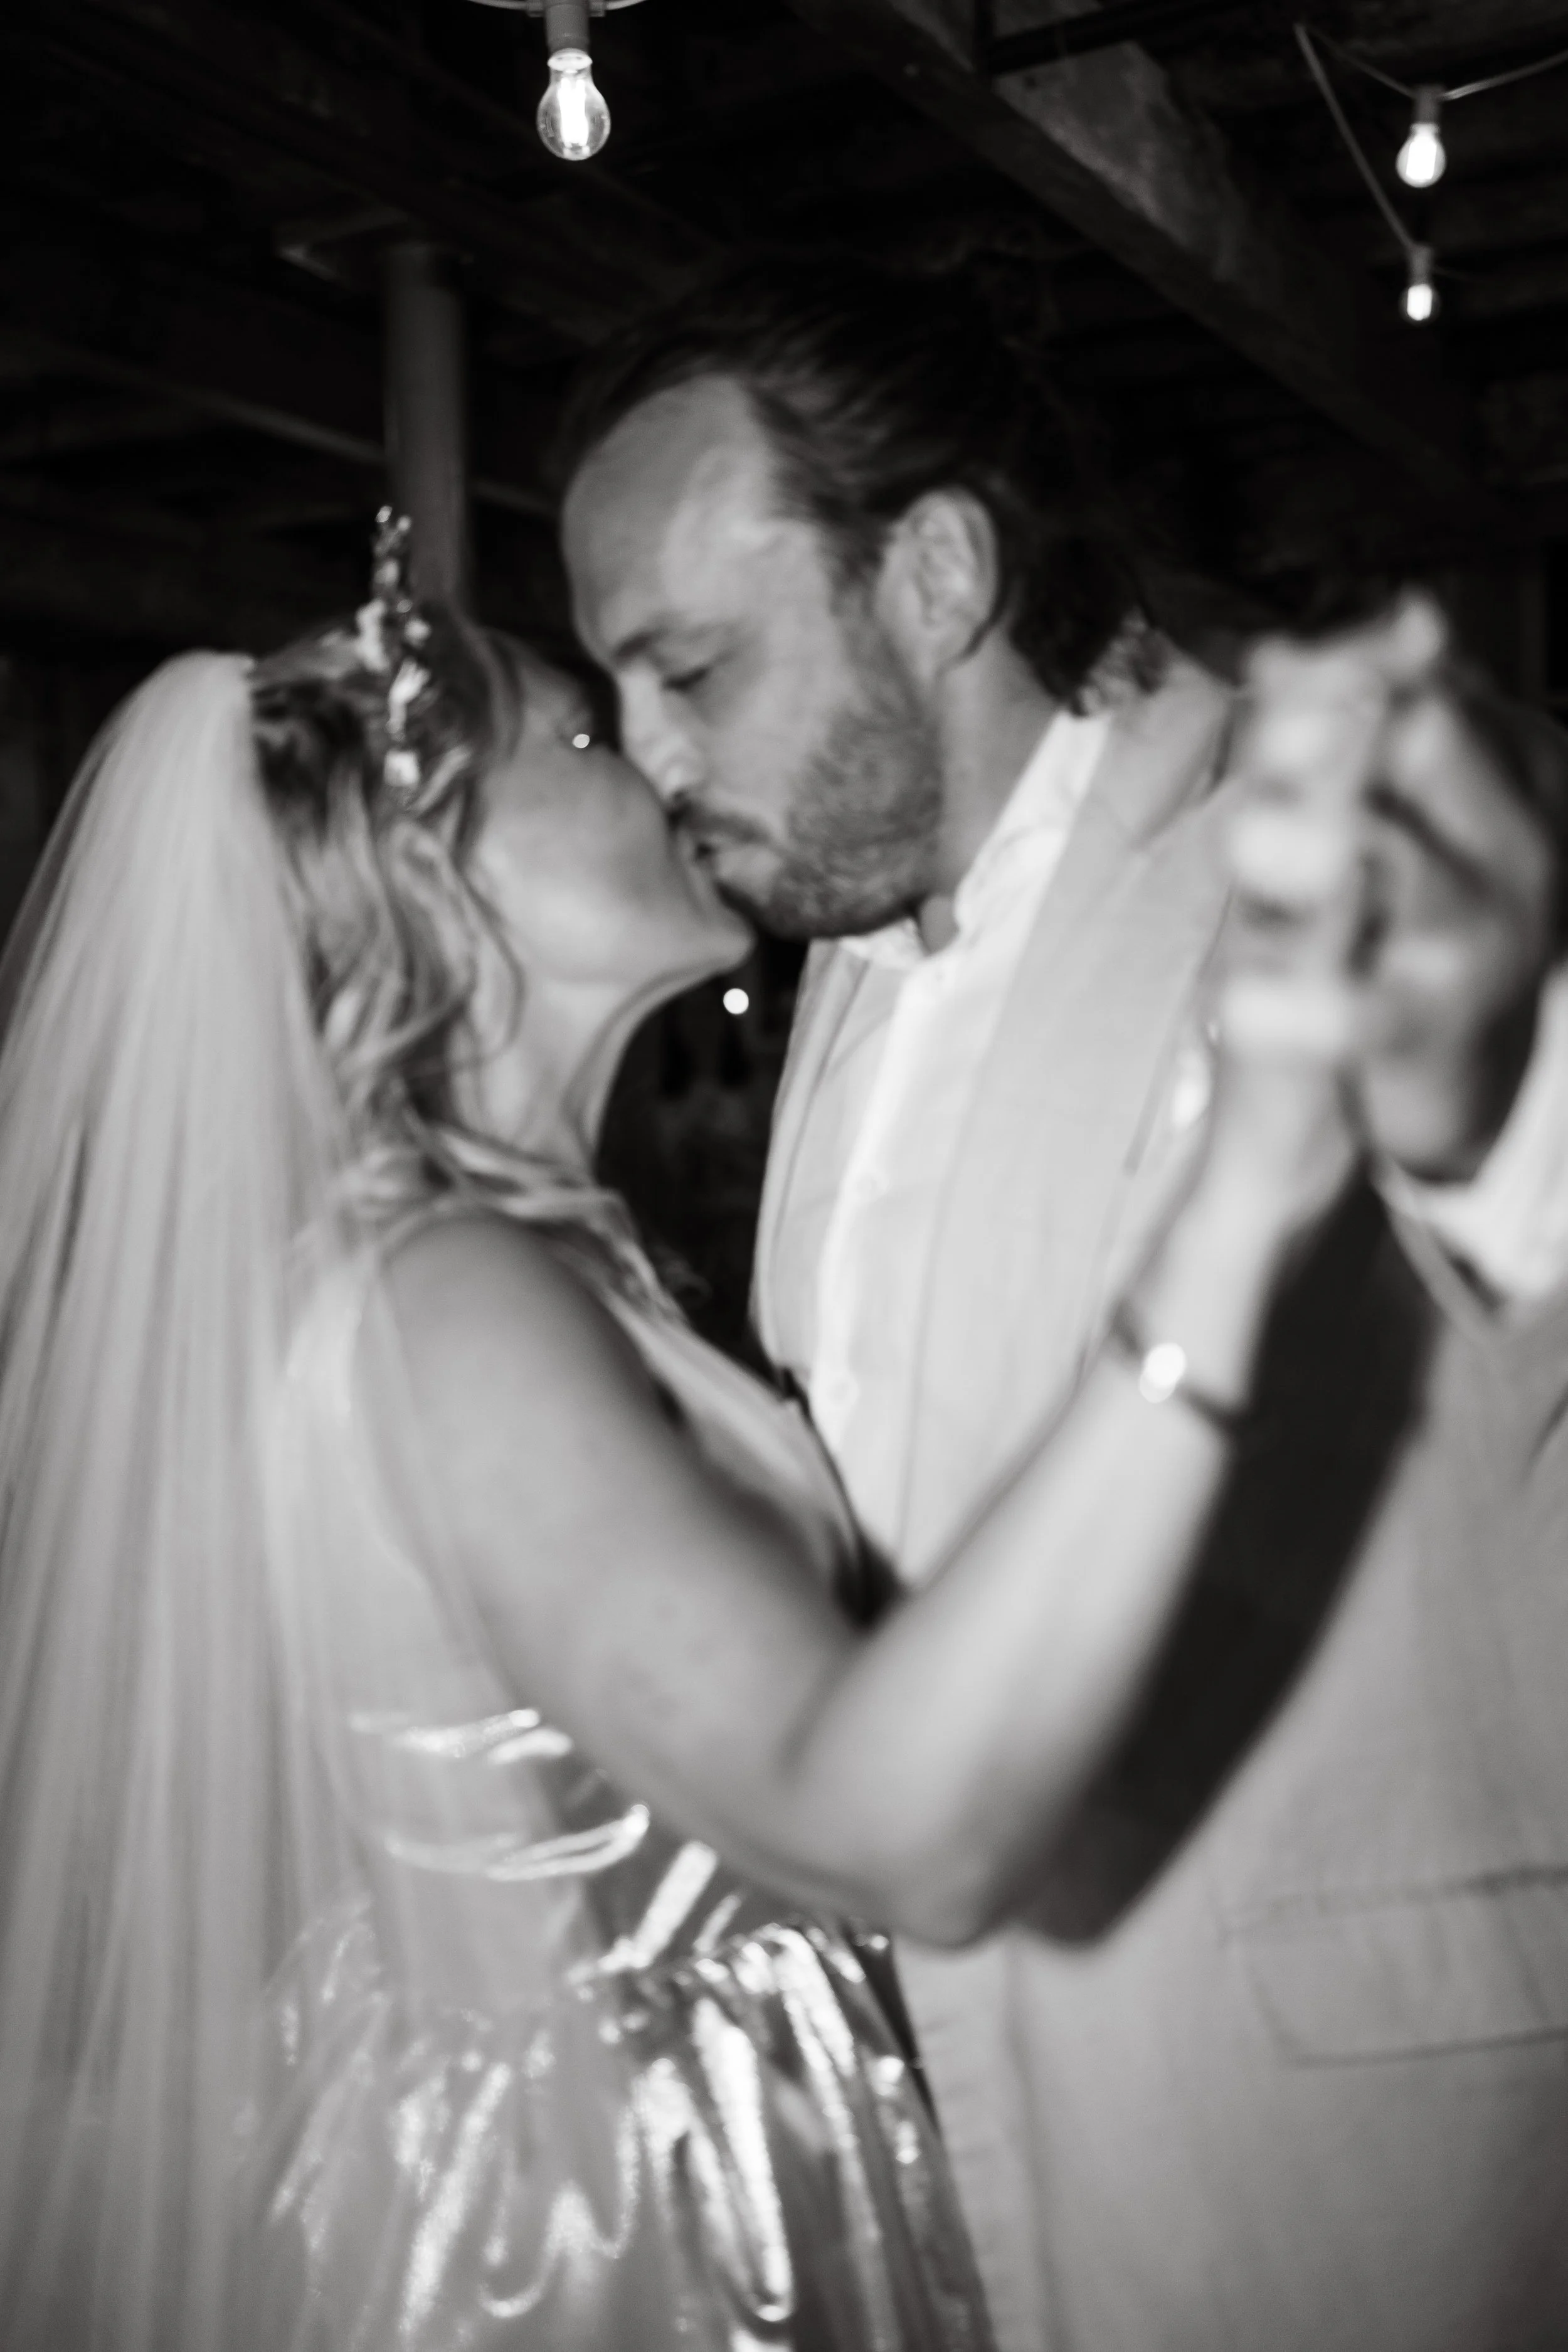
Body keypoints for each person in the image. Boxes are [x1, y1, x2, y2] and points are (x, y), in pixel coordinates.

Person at [0, 512, 1407, 2351]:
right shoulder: (450, 1309)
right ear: (442, 871)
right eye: (588, 738)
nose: (660, 758)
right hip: (619, 2219)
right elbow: (854, 1807)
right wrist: (1238, 1213)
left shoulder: (531, 1262)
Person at [556, 252, 1568, 2352]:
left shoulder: (1309, 835)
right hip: (952, 2142)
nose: (644, 753)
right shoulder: (833, 959)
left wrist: (1486, 1103)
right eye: (615, 692)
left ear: (929, 576)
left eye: (690, 668)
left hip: (1352, 2147)